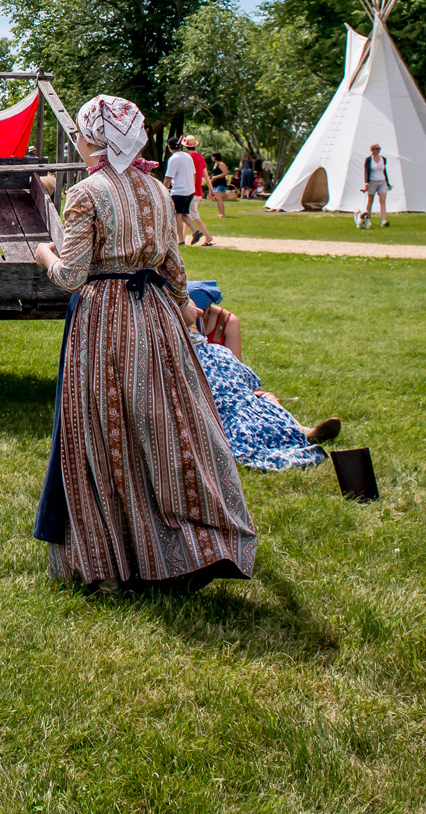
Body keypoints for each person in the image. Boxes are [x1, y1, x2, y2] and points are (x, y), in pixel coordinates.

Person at [31, 94, 257, 592]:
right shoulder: (157, 189)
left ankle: (115, 563)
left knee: (105, 429)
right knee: (165, 424)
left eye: (84, 133)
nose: (79, 140)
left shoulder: (86, 192)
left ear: (96, 138)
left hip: (105, 318)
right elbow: (176, 271)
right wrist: (181, 311)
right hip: (154, 314)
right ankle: (183, 544)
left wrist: (45, 253)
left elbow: (71, 276)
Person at [185, 281, 339, 470]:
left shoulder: (225, 322)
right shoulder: (212, 351)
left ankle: (304, 431)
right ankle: (298, 433)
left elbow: (238, 372)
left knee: (265, 399)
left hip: (223, 385)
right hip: (215, 388)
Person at [165, 136, 210, 247]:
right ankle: (195, 231)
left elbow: (168, 177)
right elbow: (194, 173)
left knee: (177, 216)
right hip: (190, 190)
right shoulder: (188, 157)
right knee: (184, 214)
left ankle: (180, 239)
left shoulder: (173, 159)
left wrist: (164, 189)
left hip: (179, 191)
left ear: (169, 147)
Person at [358, 143, 392, 229]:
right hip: (372, 181)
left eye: (379, 148)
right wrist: (366, 182)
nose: (378, 150)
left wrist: (387, 182)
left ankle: (383, 220)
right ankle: (368, 219)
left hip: (382, 181)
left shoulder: (383, 159)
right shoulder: (369, 160)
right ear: (372, 150)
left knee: (382, 200)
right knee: (370, 201)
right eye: (376, 148)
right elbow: (366, 171)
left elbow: (384, 171)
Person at [206, 149, 230, 220]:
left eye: (212, 156)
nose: (211, 158)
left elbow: (225, 173)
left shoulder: (221, 164)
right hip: (216, 183)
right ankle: (220, 213)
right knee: (217, 198)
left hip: (221, 183)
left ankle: (223, 213)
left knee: (219, 198)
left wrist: (216, 177)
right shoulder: (215, 164)